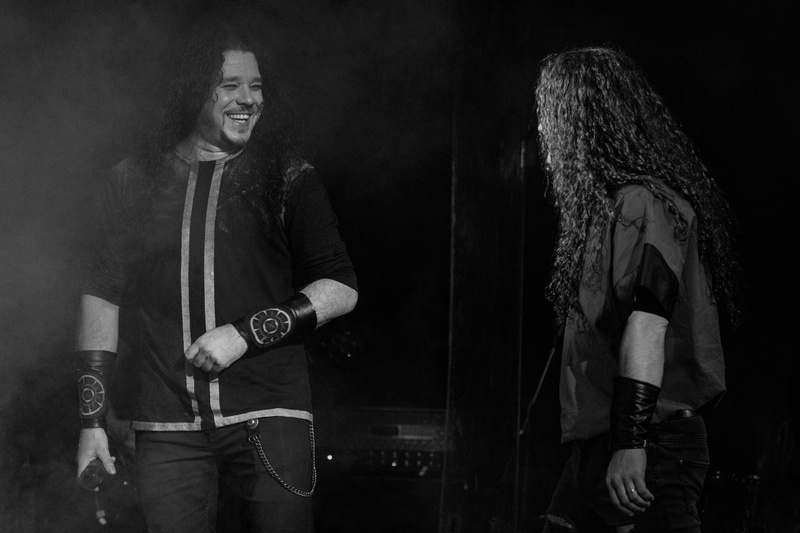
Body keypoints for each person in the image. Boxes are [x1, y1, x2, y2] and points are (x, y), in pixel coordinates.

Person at [73, 20, 358, 533]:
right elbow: (101, 297)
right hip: (166, 421)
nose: (248, 99)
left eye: (256, 86)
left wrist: (243, 334)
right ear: (194, 91)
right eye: (230, 85)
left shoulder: (289, 176)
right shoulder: (132, 181)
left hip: (269, 414)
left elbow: (340, 287)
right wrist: (91, 422)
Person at [534, 47, 740, 532]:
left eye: (550, 114)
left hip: (651, 442)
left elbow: (647, 325)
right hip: (599, 445)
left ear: (581, 122)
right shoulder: (606, 211)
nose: (543, 130)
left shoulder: (643, 203)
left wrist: (631, 442)